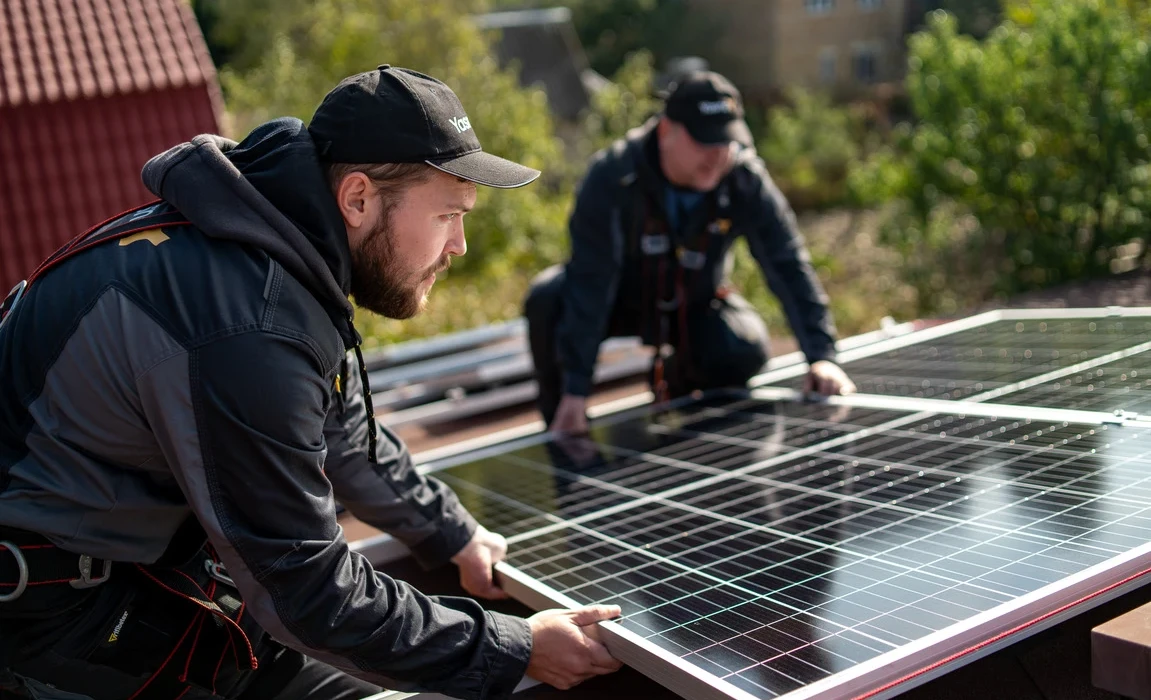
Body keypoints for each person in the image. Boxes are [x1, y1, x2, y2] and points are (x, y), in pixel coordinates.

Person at [0, 65, 621, 700]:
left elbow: (344, 433)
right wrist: (514, 647)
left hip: (136, 572)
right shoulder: (248, 321)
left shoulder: (271, 250)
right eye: (447, 216)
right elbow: (307, 592)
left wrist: (451, 532)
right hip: (49, 619)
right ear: (357, 198)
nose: (460, 245)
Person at [525, 71, 856, 434]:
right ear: (667, 131)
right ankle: (563, 423)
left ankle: (685, 395)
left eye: (727, 142)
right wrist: (576, 390)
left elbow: (788, 264)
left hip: (693, 303)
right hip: (619, 301)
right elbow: (592, 282)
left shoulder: (744, 179)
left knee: (744, 346)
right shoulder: (613, 177)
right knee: (547, 300)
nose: (718, 155)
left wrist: (822, 357)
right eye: (705, 141)